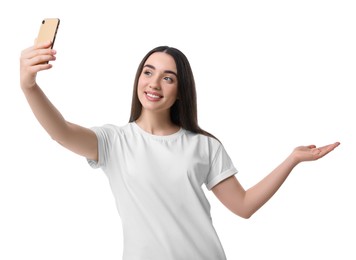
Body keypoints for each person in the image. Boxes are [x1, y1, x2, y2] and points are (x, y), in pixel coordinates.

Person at [20, 41, 340, 260]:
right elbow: (60, 132)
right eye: (148, 72)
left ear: (180, 90)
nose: (154, 83)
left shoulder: (204, 145)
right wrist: (30, 86)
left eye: (167, 77)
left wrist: (293, 159)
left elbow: (243, 206)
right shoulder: (114, 141)